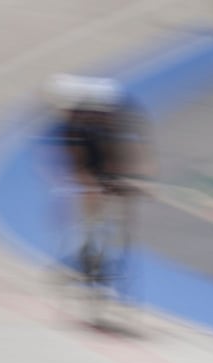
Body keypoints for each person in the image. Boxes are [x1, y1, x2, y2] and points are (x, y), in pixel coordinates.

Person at [45, 74, 150, 284]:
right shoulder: (73, 125)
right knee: (86, 198)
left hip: (103, 157)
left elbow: (128, 154)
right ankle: (77, 251)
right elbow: (76, 161)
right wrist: (86, 183)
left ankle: (110, 252)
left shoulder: (116, 122)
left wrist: (136, 180)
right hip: (82, 159)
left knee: (122, 194)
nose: (106, 116)